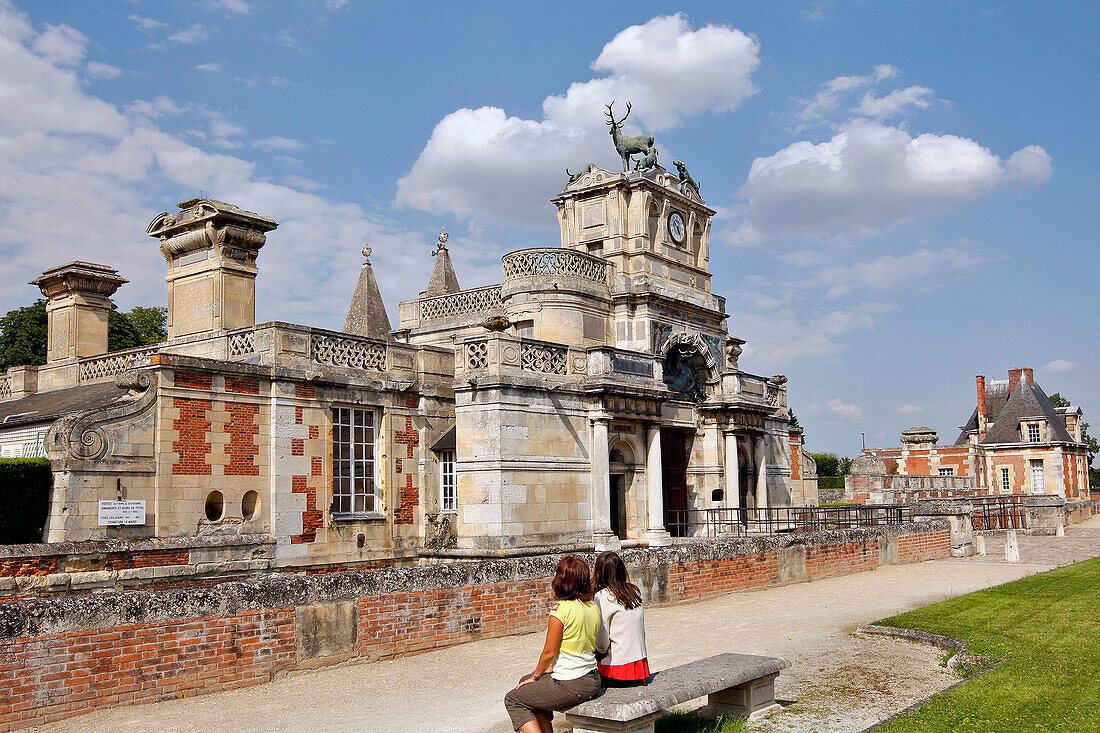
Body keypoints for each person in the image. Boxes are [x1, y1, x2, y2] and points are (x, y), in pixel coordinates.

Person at [504, 555, 601, 733]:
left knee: (513, 699)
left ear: (562, 581)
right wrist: (540, 674)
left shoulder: (561, 609)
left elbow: (549, 652)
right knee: (525, 683)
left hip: (571, 683)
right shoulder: (592, 606)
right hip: (592, 679)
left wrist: (536, 674)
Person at [592, 551, 650, 686]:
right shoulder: (634, 591)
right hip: (639, 668)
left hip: (617, 670)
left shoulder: (602, 596)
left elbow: (602, 643)